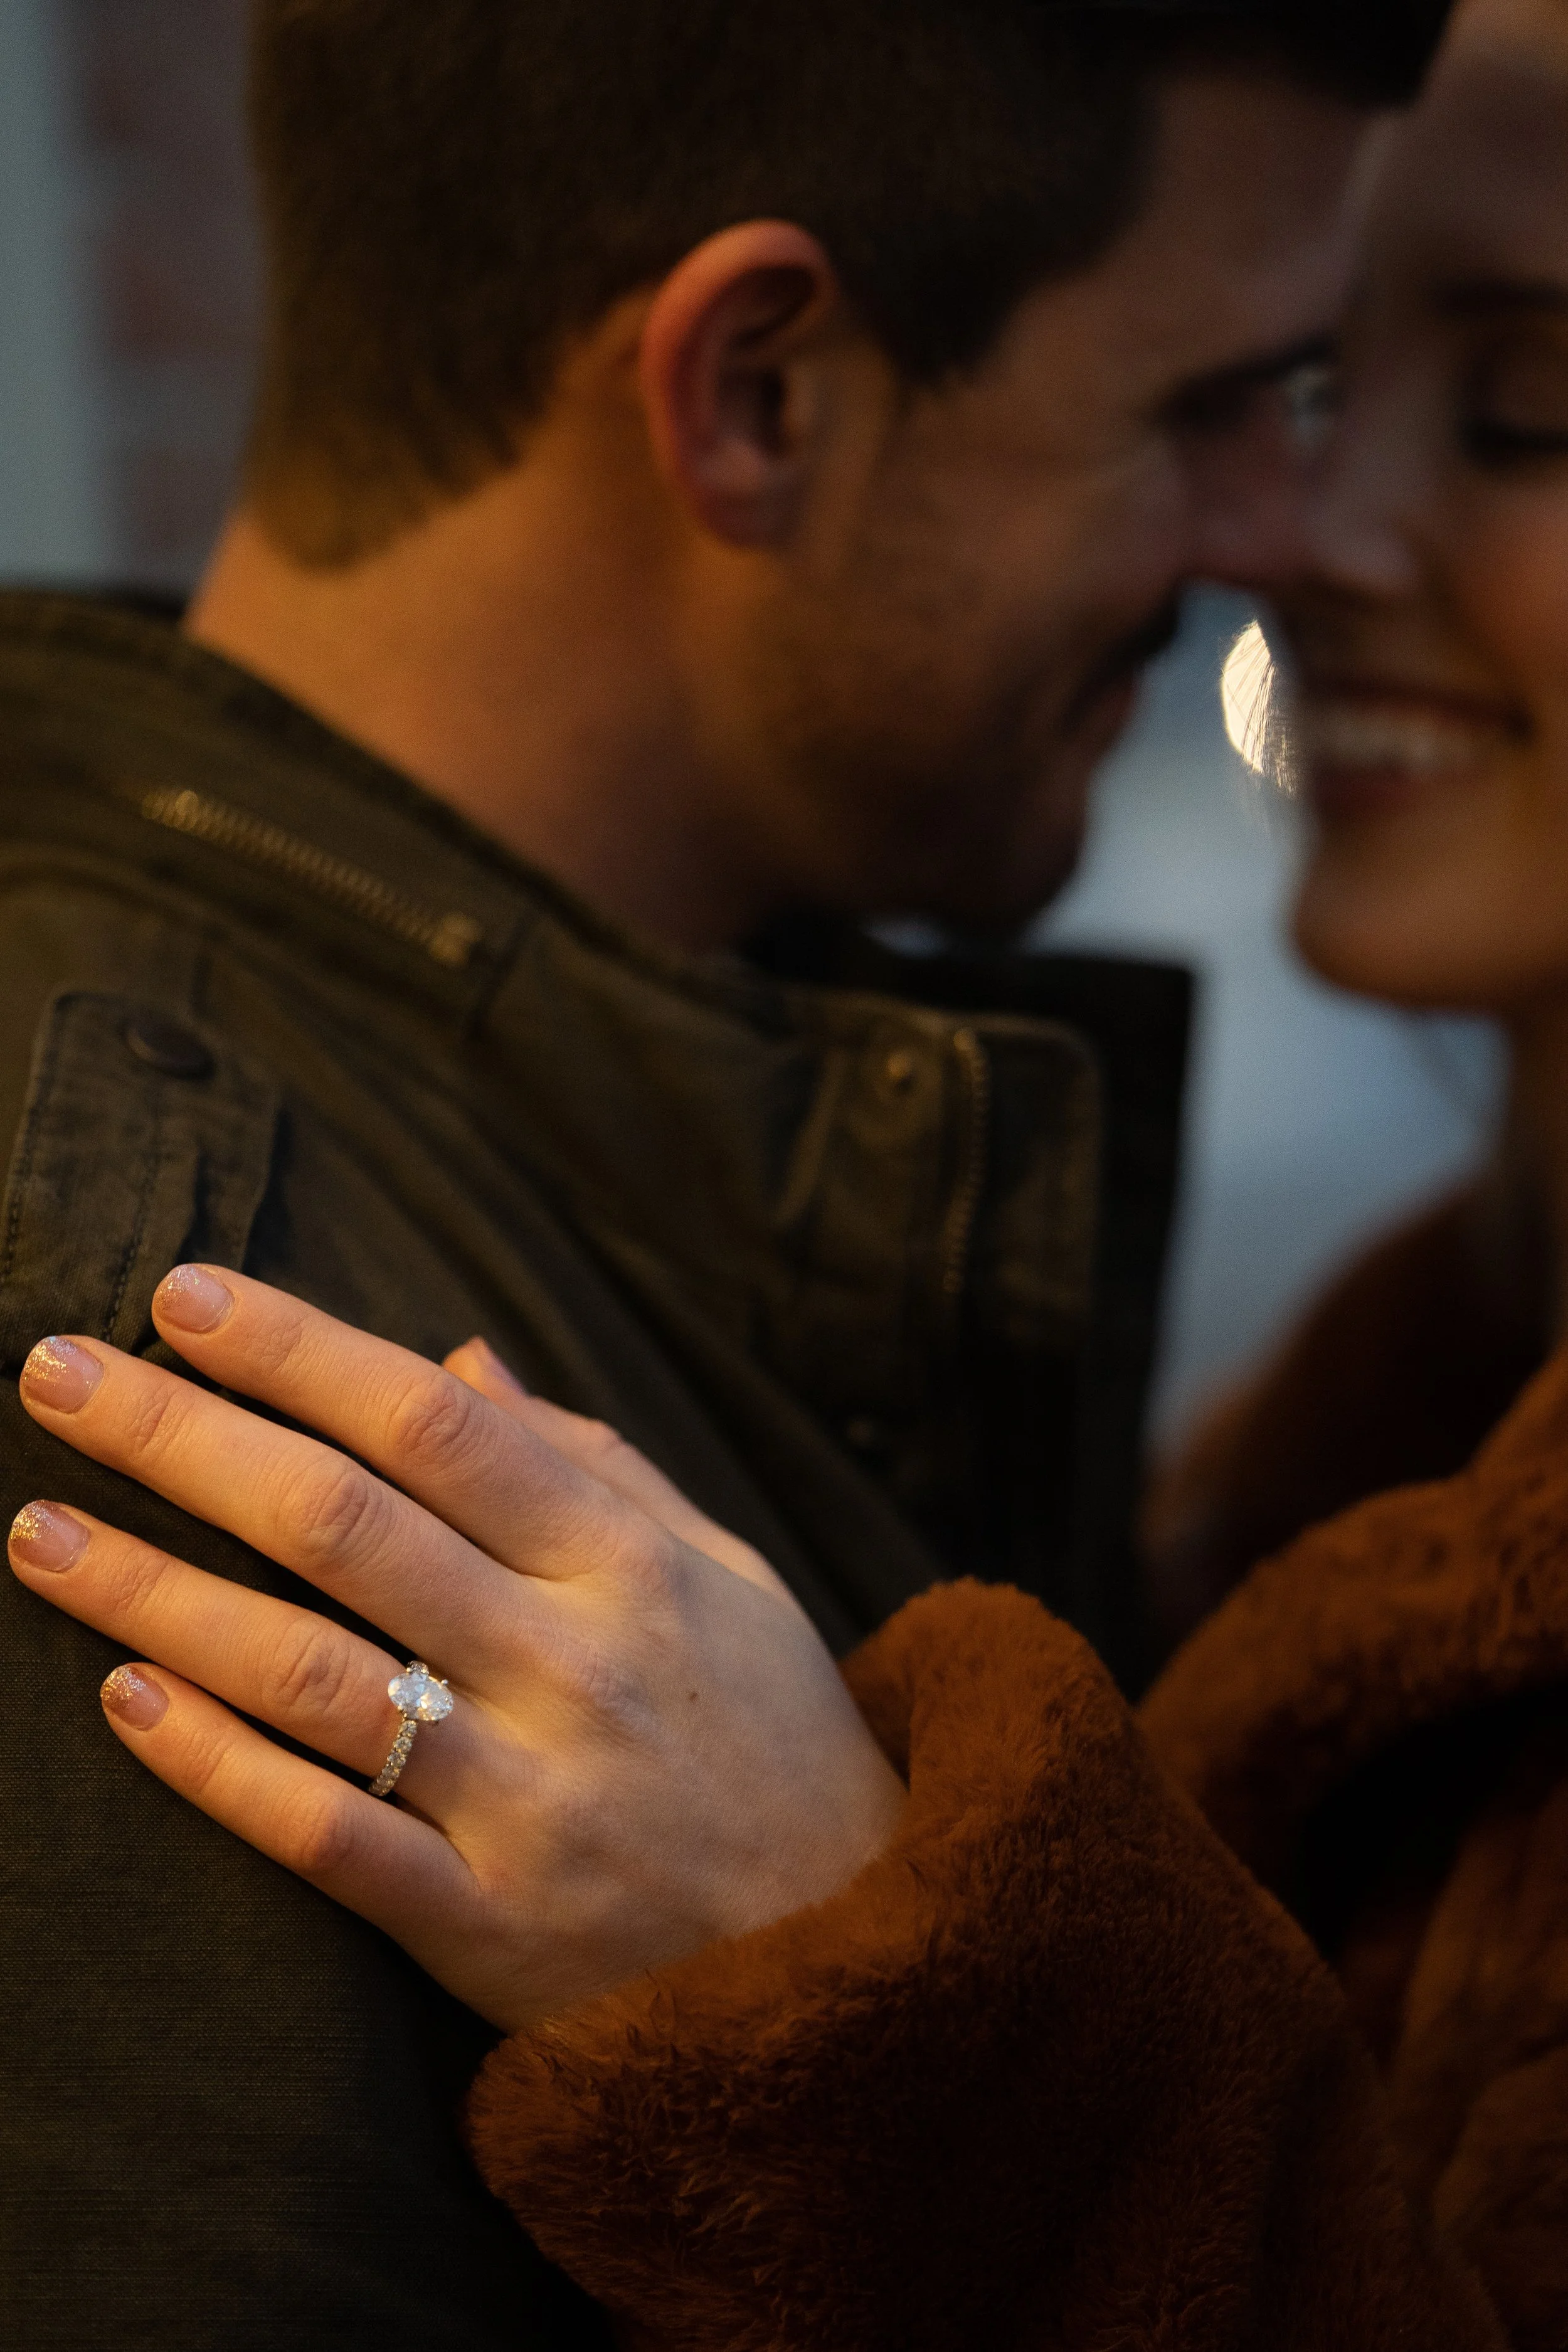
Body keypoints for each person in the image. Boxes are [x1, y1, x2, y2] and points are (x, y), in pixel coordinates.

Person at [11, 0, 1568, 2344]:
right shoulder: (157, 1317)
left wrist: (891, 2000)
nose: (1287, 538)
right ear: (754, 393)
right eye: (1214, 403)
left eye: (1515, 408)